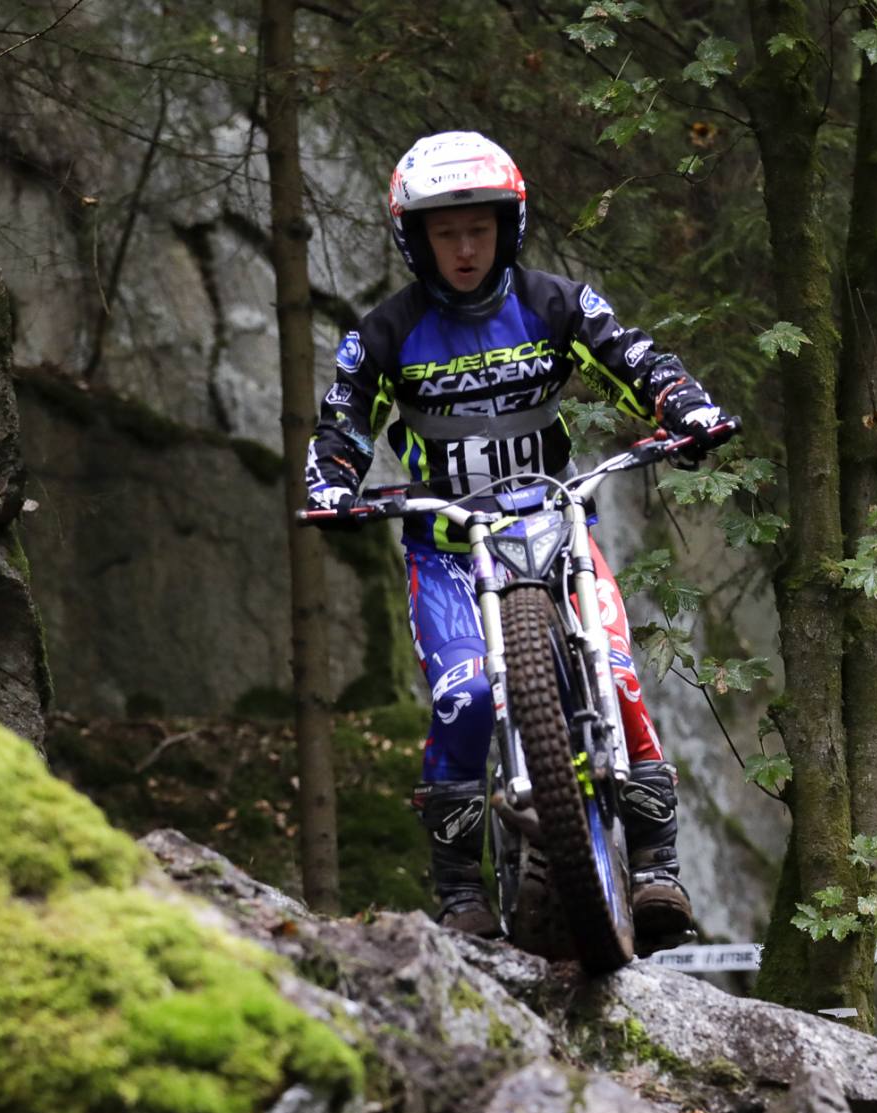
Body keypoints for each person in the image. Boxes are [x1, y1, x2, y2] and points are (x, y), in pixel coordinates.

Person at [305, 131, 729, 941]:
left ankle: (656, 868)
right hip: (447, 544)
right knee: (464, 696)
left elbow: (632, 358)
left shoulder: (556, 303)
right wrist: (330, 482)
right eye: (446, 233)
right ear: (416, 239)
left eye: (479, 229)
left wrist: (684, 404)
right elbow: (345, 419)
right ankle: (460, 889)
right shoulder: (388, 333)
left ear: (509, 226)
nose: (465, 249)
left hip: (556, 525)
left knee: (616, 672)